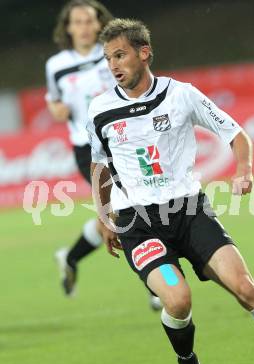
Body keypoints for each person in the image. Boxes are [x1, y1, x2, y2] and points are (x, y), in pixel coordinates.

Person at [87, 18, 254, 364]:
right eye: (108, 58)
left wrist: (245, 169)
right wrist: (104, 215)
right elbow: (99, 165)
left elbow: (236, 134)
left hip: (190, 213)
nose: (113, 65)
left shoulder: (181, 95)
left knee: (246, 287)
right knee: (177, 299)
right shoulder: (101, 110)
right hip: (137, 223)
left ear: (144, 54)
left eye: (120, 55)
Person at [45, 1, 163, 310]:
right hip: (88, 149)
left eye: (88, 20)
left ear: (99, 24)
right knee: (124, 210)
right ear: (68, 28)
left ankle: (70, 257)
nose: (83, 26)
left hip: (124, 139)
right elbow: (55, 104)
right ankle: (155, 287)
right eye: (77, 22)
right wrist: (58, 110)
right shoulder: (56, 65)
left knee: (120, 212)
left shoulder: (112, 54)